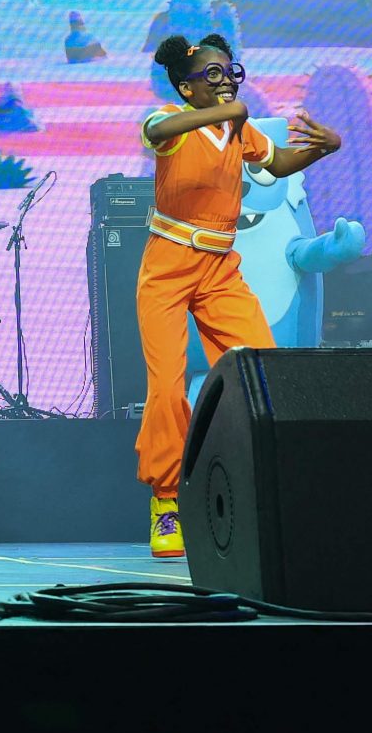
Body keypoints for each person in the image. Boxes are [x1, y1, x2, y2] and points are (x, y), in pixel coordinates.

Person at [138, 34, 341, 557]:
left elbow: (277, 164)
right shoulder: (172, 122)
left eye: (231, 72)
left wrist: (322, 148)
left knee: (260, 369)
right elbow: (157, 129)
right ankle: (166, 502)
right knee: (167, 387)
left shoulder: (236, 126)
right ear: (187, 88)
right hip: (168, 265)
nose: (227, 80)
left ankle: (265, 488)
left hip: (220, 268)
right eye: (213, 75)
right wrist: (226, 112)